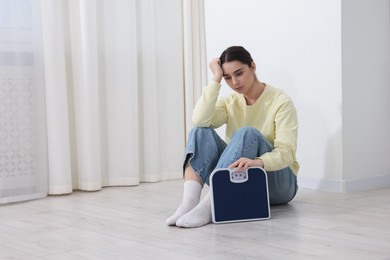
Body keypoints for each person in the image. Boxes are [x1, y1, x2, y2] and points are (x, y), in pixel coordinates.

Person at [166, 46, 299, 228]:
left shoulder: (280, 101)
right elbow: (199, 120)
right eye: (228, 77)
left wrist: (259, 161)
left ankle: (210, 206)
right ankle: (189, 203)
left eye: (239, 73)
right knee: (200, 131)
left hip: (279, 184)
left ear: (252, 67)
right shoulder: (230, 102)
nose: (235, 82)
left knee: (247, 132)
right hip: (239, 177)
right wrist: (216, 79)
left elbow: (288, 152)